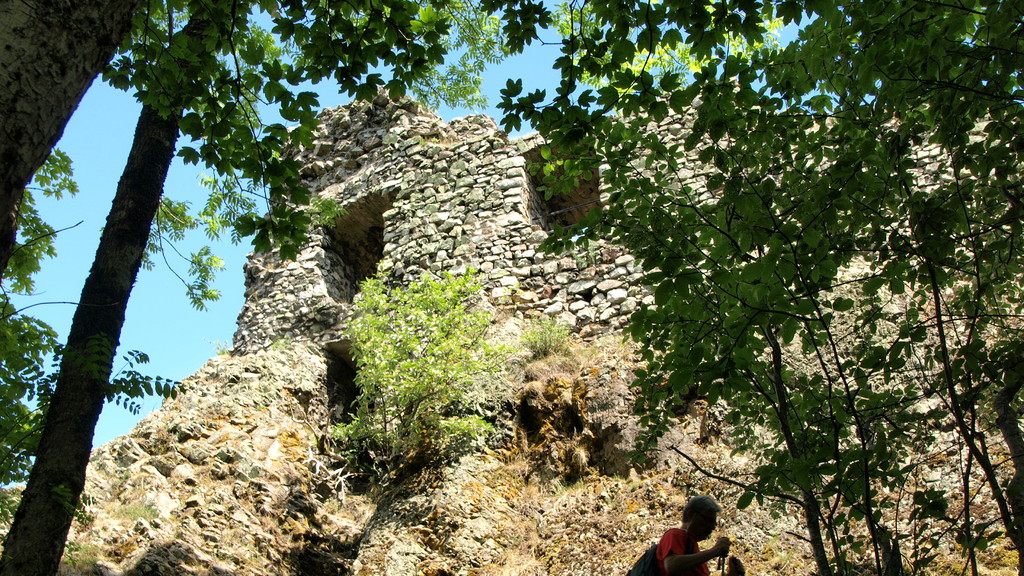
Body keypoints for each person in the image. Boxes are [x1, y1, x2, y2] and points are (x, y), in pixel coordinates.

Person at [657, 495, 745, 576]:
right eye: (708, 520)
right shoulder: (675, 534)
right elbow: (671, 566)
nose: (712, 527)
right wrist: (715, 551)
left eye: (714, 523)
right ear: (690, 515)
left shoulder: (694, 552)